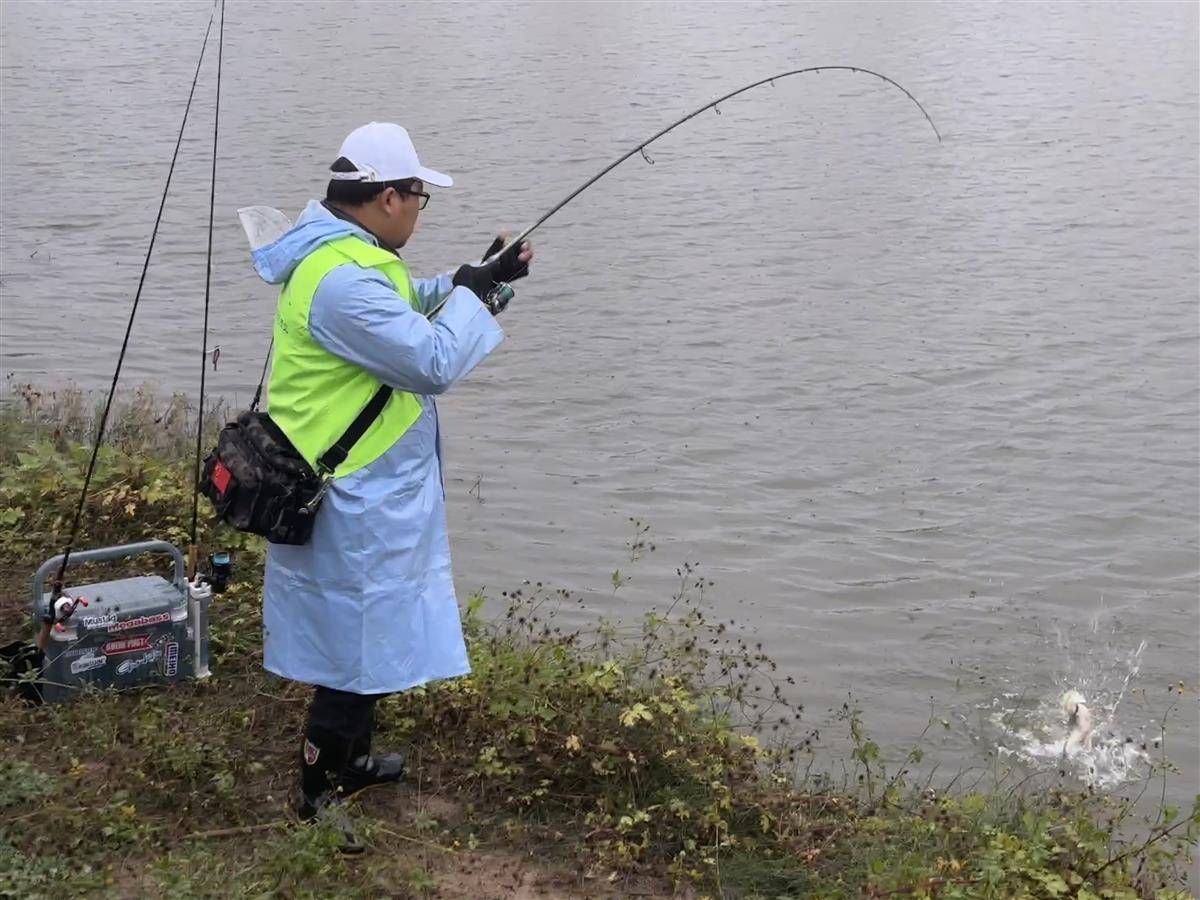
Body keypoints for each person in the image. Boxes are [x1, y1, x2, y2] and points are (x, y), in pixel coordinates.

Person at [247, 122, 533, 850]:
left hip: (374, 494)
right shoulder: (343, 281)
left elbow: (419, 299)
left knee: (374, 638)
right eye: (417, 195)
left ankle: (357, 763)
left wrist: (483, 280)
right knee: (352, 651)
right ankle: (319, 793)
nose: (418, 207)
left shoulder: (358, 257)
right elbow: (431, 360)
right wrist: (470, 299)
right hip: (349, 499)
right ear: (383, 198)